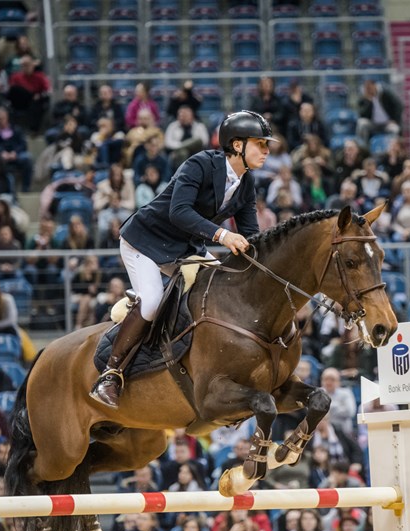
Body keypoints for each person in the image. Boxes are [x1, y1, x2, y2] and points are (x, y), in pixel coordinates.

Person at [89, 110, 275, 407]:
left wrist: (271, 266)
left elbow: (252, 235)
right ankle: (111, 374)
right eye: (260, 144)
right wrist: (222, 235)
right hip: (145, 241)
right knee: (152, 301)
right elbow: (179, 212)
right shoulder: (200, 164)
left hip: (185, 248)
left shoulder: (246, 183)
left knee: (223, 293)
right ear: (237, 145)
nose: (266, 151)